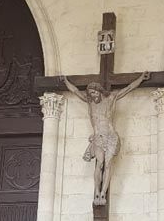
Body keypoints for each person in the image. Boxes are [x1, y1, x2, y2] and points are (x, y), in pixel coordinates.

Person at [61, 71, 149, 204]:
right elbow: (75, 91)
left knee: (108, 164)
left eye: (94, 93)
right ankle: (97, 190)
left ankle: (103, 193)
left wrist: (141, 78)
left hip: (111, 136)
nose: (93, 95)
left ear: (100, 91)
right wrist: (65, 81)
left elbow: (129, 88)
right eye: (91, 94)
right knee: (99, 163)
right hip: (98, 137)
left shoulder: (111, 98)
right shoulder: (90, 102)